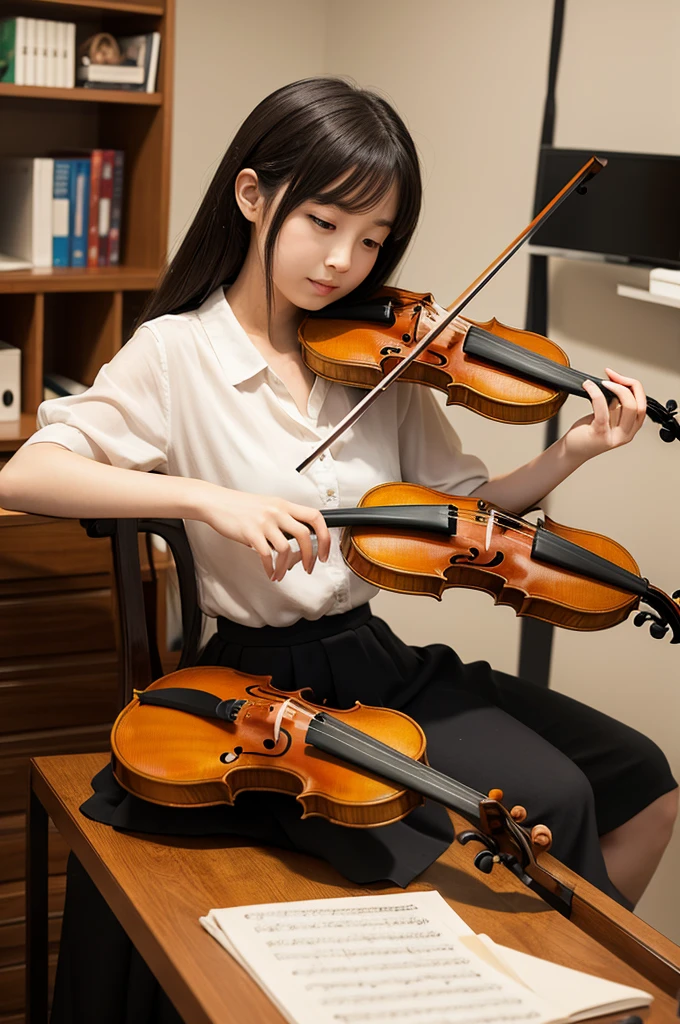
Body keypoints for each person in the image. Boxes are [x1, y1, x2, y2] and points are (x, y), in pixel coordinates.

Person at [1, 77, 676, 1023]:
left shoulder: (385, 359)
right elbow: (27, 474)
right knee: (524, 804)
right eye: (323, 223)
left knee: (632, 776)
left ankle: (546, 992)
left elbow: (465, 517)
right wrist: (210, 500)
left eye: (371, 240)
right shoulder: (176, 353)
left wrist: (570, 450)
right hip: (261, 681)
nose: (343, 262)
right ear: (251, 196)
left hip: (376, 659)